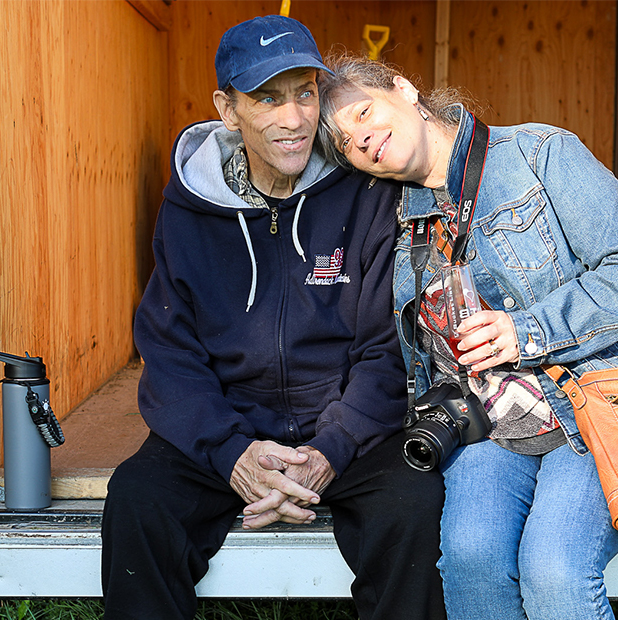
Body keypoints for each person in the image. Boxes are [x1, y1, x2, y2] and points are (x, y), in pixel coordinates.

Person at [100, 19, 446, 620]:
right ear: (227, 109)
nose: (293, 118)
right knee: (137, 502)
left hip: (347, 430)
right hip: (230, 424)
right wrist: (233, 453)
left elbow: (385, 349)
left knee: (413, 505)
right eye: (266, 98)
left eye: (304, 93)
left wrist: (329, 451)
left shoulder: (364, 191)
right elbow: (171, 352)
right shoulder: (189, 207)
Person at [317, 54, 618, 620]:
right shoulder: (391, 221)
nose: (362, 139)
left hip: (597, 405)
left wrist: (527, 330)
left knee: (553, 568)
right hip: (488, 424)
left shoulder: (539, 154)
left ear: (405, 90)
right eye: (345, 144)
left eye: (364, 112)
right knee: (468, 557)